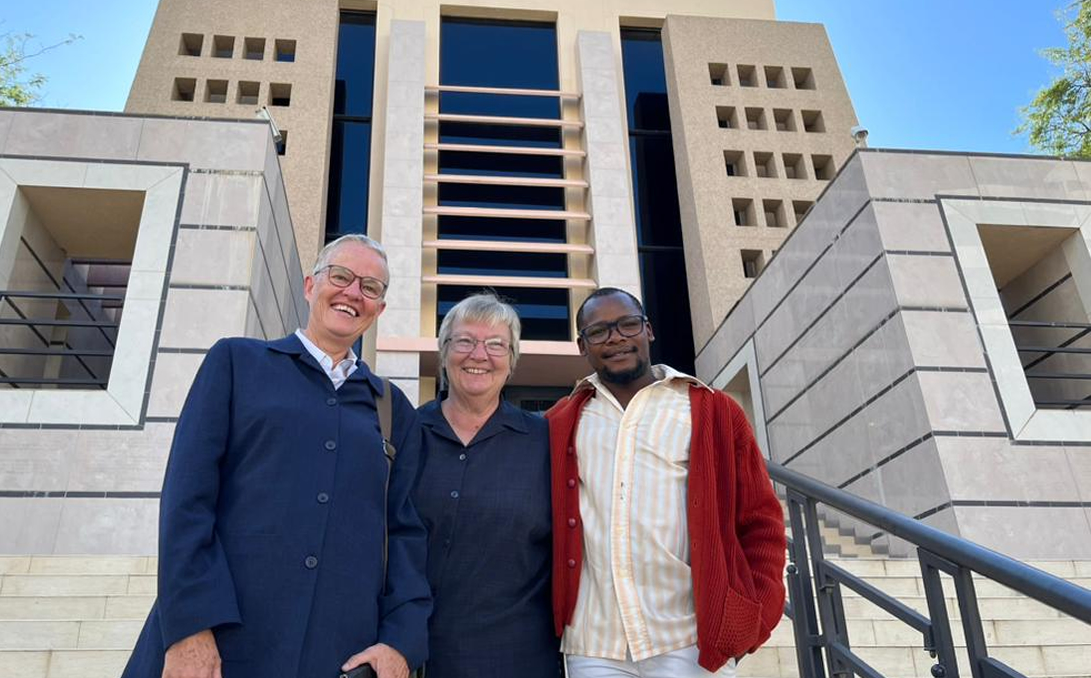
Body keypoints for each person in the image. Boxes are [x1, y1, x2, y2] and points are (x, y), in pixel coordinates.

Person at [121, 234, 430, 678]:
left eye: (370, 287)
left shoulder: (393, 408)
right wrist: (189, 627)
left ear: (379, 309)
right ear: (310, 285)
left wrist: (400, 643)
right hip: (219, 646)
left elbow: (405, 536)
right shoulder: (237, 363)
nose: (352, 293)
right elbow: (187, 502)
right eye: (340, 276)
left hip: (338, 657)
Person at [547, 287, 785, 677]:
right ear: (582, 346)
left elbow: (762, 522)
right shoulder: (561, 421)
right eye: (599, 331)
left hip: (689, 640)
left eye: (627, 325)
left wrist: (753, 618)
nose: (616, 338)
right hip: (593, 644)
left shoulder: (713, 410)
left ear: (648, 330)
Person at [412, 293, 563, 677]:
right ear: (444, 352)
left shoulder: (545, 440)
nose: (479, 355)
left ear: (511, 360)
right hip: (416, 655)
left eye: (496, 344)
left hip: (520, 658)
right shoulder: (406, 432)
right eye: (464, 341)